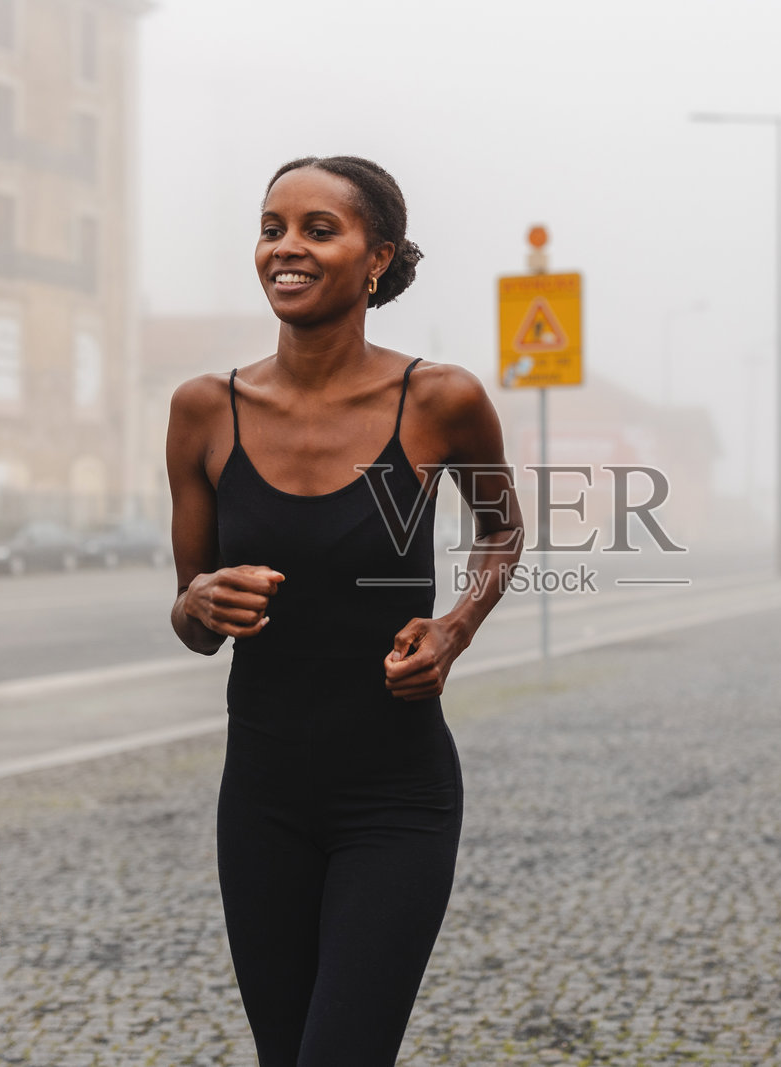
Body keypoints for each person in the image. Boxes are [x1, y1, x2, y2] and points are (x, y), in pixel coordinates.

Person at [165, 155, 522, 1066]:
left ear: (377, 258)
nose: (286, 247)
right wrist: (200, 598)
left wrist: (454, 628)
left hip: (396, 796)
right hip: (262, 799)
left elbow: (503, 530)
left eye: (318, 230)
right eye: (272, 228)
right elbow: (193, 625)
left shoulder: (440, 399)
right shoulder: (204, 411)